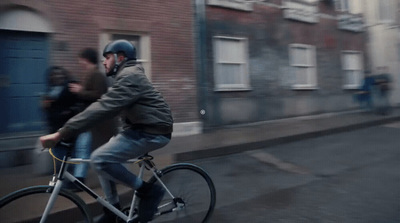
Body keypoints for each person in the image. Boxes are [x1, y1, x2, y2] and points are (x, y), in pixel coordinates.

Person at [39, 39, 173, 223]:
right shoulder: (126, 75)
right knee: (102, 156)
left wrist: (62, 133)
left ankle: (148, 191)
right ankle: (112, 210)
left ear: (120, 58)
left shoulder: (130, 76)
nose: (104, 62)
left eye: (107, 57)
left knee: (100, 159)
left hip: (154, 132)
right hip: (139, 128)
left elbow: (103, 106)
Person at [62, 48, 117, 191]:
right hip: (89, 121)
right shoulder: (90, 74)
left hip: (95, 122)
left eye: (81, 59)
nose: (79, 62)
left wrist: (80, 91)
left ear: (86, 59)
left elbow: (99, 96)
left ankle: (79, 180)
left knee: (85, 149)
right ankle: (78, 179)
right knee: (84, 149)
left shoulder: (97, 75)